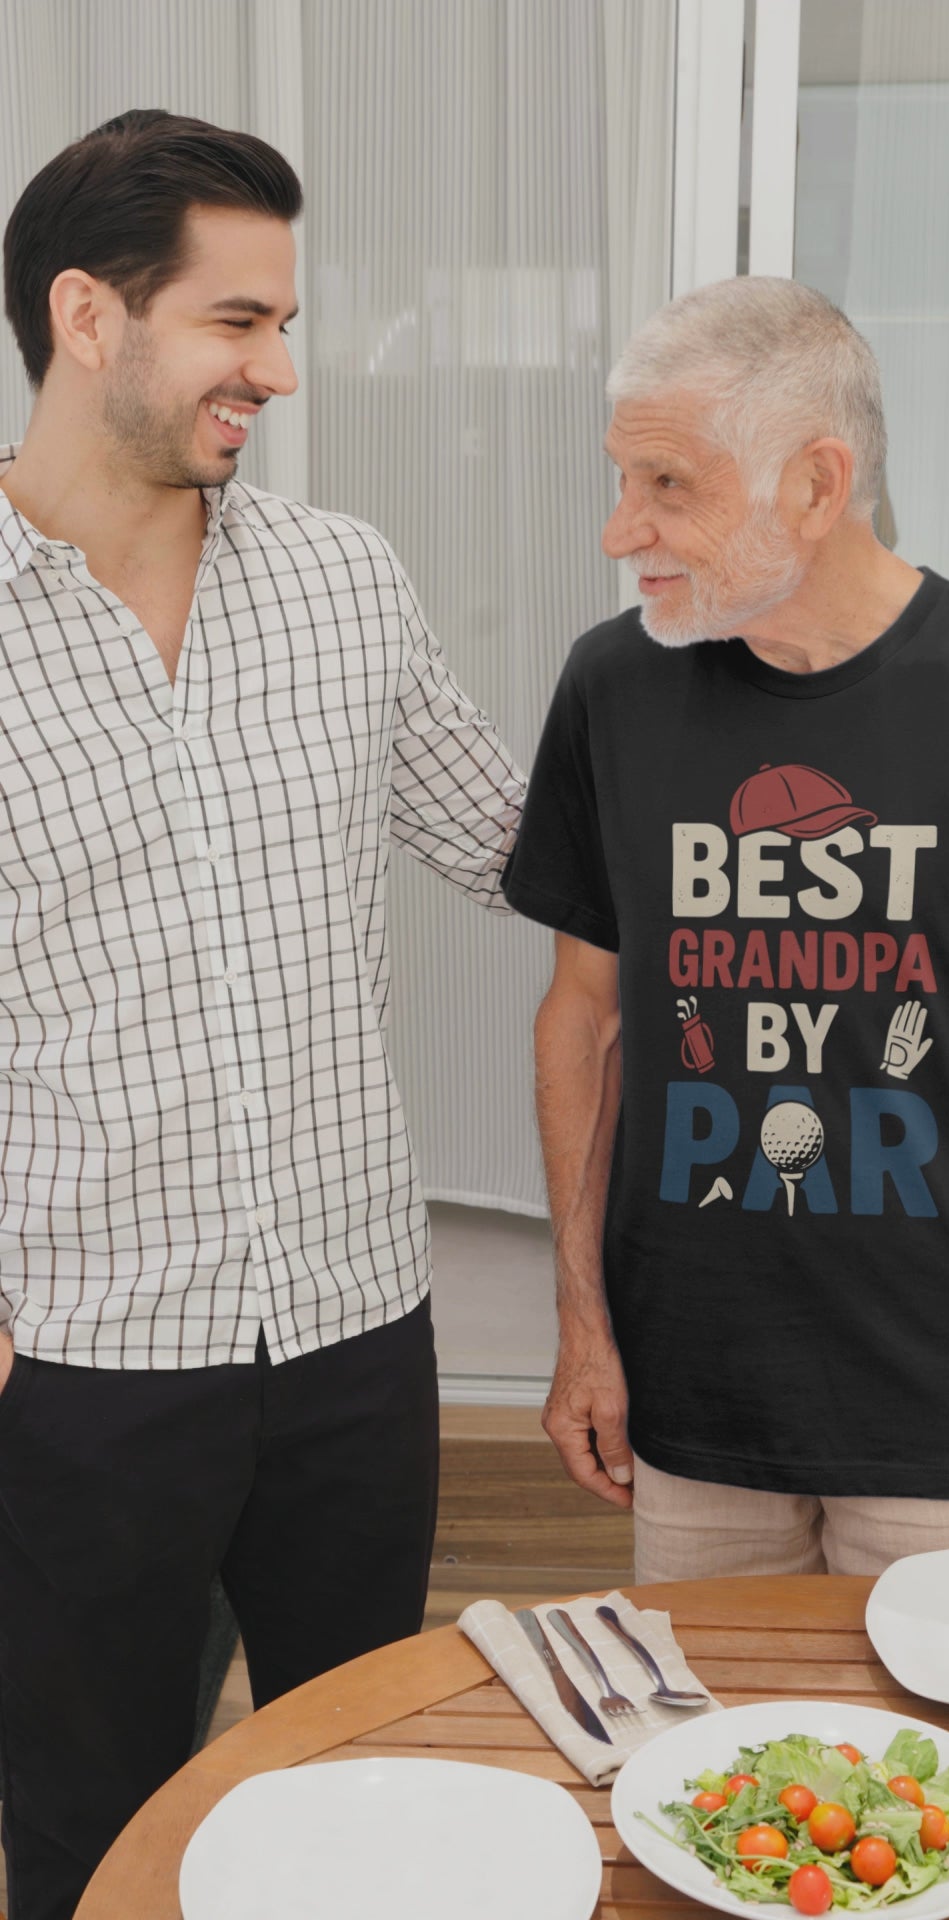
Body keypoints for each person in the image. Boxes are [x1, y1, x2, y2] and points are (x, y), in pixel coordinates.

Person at [0, 110, 524, 1920]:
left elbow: (527, 850)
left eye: (283, 325)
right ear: (89, 316)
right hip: (80, 1362)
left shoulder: (341, 585)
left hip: (352, 1338)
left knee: (354, 1803)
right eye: (240, 323)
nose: (278, 370)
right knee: (91, 1833)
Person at [501, 276, 949, 1587]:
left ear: (819, 486)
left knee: (930, 1785)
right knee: (703, 1781)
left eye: (668, 487)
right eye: (621, 478)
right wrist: (583, 1324)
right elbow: (583, 1020)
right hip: (691, 1398)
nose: (619, 530)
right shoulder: (614, 689)